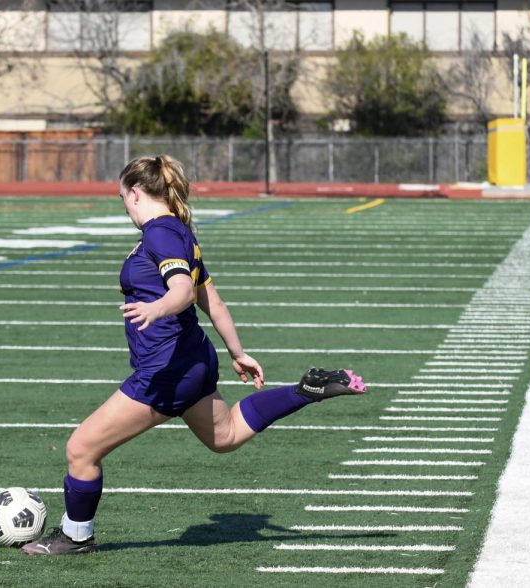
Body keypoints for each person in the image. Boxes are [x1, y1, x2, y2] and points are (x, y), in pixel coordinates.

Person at [22, 154, 366, 556]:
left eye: (122, 199)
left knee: (81, 449)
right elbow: (213, 303)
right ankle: (305, 389)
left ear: (135, 193)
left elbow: (184, 291)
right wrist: (238, 352)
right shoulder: (182, 233)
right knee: (227, 435)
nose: (125, 209)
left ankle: (75, 536)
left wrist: (157, 308)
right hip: (194, 359)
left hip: (166, 368)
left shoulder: (160, 235)